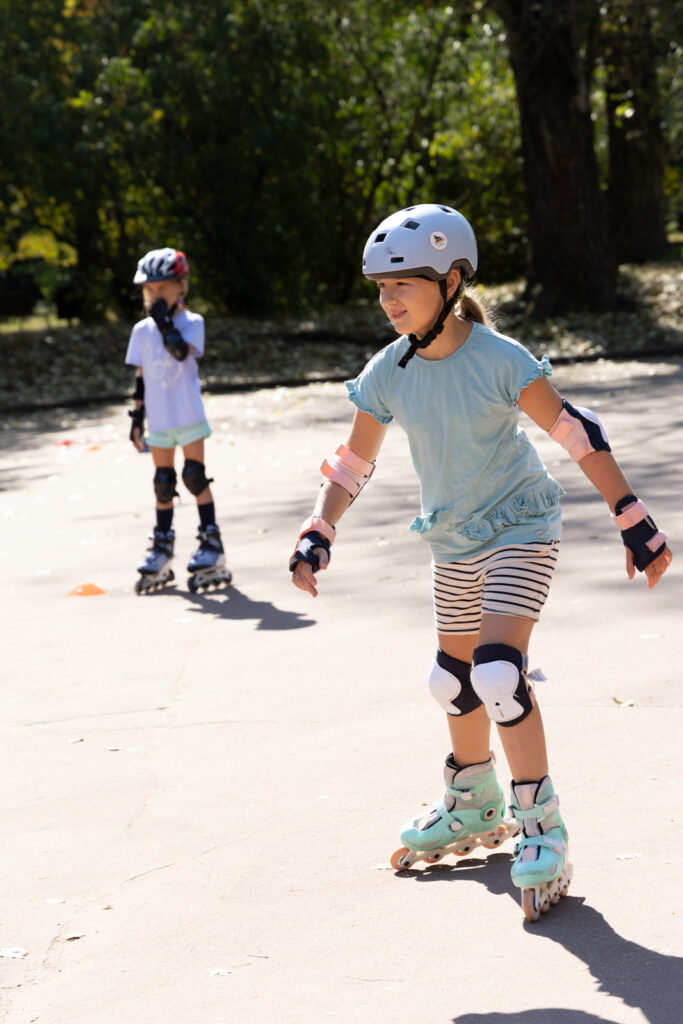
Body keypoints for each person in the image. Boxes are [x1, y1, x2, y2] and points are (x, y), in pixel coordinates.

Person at [289, 203, 672, 921]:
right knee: (450, 680)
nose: (389, 298)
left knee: (498, 671)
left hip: (522, 527)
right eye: (380, 287)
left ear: (453, 279)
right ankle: (473, 801)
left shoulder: (499, 358)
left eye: (404, 283)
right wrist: (319, 527)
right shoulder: (389, 372)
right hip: (453, 538)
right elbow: (349, 463)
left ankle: (542, 825)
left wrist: (631, 516)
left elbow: (574, 433)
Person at [126, 247, 231, 594]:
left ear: (181, 287)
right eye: (149, 291)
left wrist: (165, 322)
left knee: (194, 476)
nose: (154, 296)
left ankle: (211, 546)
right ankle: (161, 549)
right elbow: (142, 376)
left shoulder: (192, 323)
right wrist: (136, 417)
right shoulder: (141, 331)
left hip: (186, 415)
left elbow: (182, 351)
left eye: (162, 289)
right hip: (159, 421)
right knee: (163, 482)